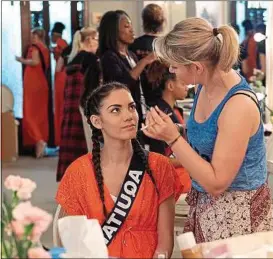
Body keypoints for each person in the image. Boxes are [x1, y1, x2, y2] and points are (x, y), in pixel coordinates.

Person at [142, 17, 273, 243]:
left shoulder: (238, 105)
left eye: (175, 65)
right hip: (207, 210)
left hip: (237, 219)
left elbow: (217, 183)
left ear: (196, 67)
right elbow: (210, 139)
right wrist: (176, 130)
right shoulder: (203, 87)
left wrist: (173, 138)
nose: (171, 70)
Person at [56, 82, 182, 258]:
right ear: (97, 121)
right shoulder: (79, 172)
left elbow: (165, 243)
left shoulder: (159, 167)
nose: (129, 116)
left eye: (131, 107)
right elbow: (72, 243)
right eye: (116, 110)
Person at [99, 10, 156, 129]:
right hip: (122, 118)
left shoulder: (132, 55)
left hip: (140, 112)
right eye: (126, 26)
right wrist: (144, 61)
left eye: (131, 25)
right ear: (114, 31)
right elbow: (121, 85)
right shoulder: (109, 57)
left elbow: (142, 84)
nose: (131, 30)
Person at [56, 27, 98, 182]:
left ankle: (71, 181)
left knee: (71, 148)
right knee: (86, 148)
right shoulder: (90, 59)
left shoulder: (73, 59)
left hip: (70, 111)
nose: (98, 43)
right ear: (88, 40)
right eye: (96, 39)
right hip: (83, 109)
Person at [145, 61, 191, 193]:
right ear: (170, 85)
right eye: (182, 83)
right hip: (172, 176)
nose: (187, 87)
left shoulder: (174, 110)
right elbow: (159, 160)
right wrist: (189, 160)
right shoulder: (159, 116)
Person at [16, 28, 50, 158]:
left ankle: (38, 140)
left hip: (33, 83)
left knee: (29, 113)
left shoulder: (34, 48)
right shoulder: (45, 48)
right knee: (39, 114)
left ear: (36, 36)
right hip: (41, 83)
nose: (31, 37)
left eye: (32, 35)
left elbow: (35, 62)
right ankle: (40, 144)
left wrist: (22, 60)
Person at [130, 3, 165, 107]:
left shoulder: (133, 44)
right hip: (162, 97)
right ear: (162, 22)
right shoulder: (166, 45)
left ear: (144, 21)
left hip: (138, 96)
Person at [51, 22, 69, 146]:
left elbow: (61, 61)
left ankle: (60, 140)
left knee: (60, 108)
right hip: (62, 76)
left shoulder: (59, 44)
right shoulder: (64, 43)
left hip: (61, 76)